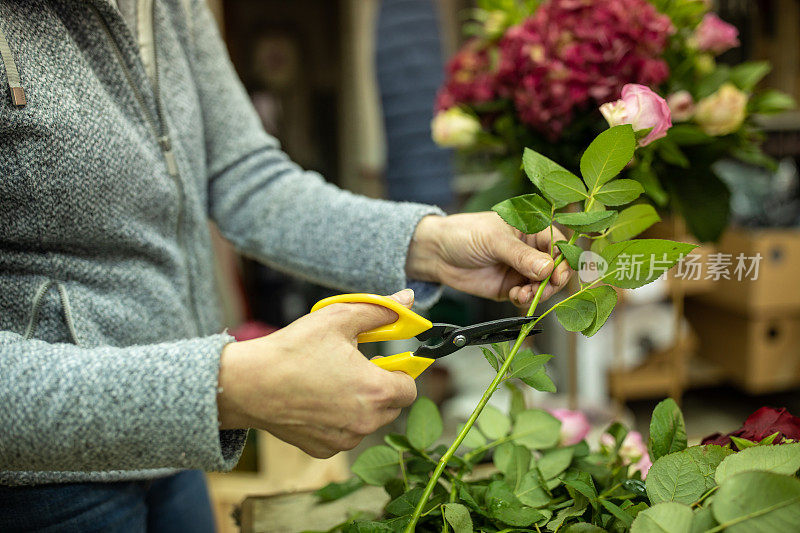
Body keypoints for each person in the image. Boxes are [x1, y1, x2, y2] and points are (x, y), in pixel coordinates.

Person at [0, 1, 571, 530]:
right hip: (41, 482)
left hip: (174, 449)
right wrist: (226, 386)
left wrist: (427, 242)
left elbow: (244, 177)